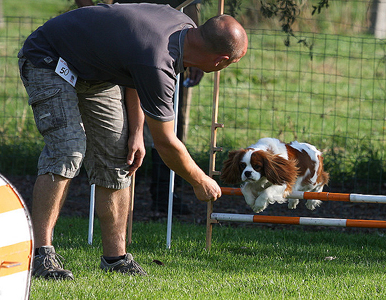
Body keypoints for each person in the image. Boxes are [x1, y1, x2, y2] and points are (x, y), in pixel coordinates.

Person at [18, 3, 248, 280]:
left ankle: (115, 259)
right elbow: (166, 143)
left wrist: (136, 133)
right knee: (68, 150)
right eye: (230, 64)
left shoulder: (180, 27)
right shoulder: (158, 58)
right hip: (50, 59)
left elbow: (136, 71)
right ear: (219, 61)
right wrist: (200, 180)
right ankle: (40, 254)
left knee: (119, 158)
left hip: (96, 73)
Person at [75, 0, 203, 215]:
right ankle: (118, 197)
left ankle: (164, 195)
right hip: (124, 54)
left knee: (168, 125)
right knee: (126, 132)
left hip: (168, 50)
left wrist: (197, 56)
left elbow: (191, 8)